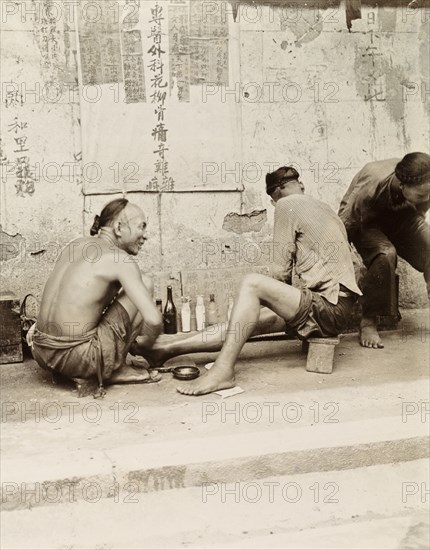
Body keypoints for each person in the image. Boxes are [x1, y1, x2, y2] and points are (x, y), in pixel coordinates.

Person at [138, 166, 362, 396]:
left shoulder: (287, 204)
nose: (275, 206)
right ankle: (167, 347)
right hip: (336, 306)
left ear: (277, 193)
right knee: (247, 320)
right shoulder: (323, 207)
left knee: (252, 284)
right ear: (300, 185)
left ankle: (223, 371)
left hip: (329, 308)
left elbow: (279, 272)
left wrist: (261, 302)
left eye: (274, 201)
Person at [32, 198, 163, 396]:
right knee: (145, 283)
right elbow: (153, 320)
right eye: (141, 227)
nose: (145, 236)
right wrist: (150, 346)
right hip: (78, 359)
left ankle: (105, 362)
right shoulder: (120, 260)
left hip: (39, 351)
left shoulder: (76, 244)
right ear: (119, 228)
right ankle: (115, 369)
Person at [338, 152, 430, 349]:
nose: (428, 198)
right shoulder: (371, 185)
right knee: (385, 254)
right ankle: (369, 321)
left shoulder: (423, 180)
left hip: (402, 217)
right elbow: (345, 222)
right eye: (423, 195)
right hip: (366, 223)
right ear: (402, 185)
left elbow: (419, 211)